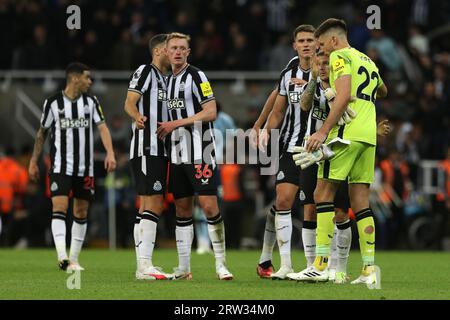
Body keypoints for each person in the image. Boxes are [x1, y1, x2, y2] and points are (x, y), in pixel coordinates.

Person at [293, 18, 387, 286]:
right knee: (360, 202)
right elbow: (383, 89)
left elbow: (343, 96)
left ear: (333, 40)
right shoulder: (367, 60)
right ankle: (369, 269)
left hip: (346, 134)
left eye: (321, 44)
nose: (321, 50)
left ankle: (320, 265)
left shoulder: (340, 57)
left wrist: (322, 131)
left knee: (322, 192)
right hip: (368, 136)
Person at [156, 32, 233, 280]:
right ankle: (183, 268)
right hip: (177, 155)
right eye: (174, 48)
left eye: (182, 48)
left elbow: (210, 112)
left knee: (209, 206)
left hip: (201, 151)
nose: (178, 52)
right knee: (182, 209)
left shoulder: (197, 76)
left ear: (188, 52)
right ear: (166, 52)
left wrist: (177, 123)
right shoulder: (166, 82)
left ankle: (221, 264)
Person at [28, 62, 117, 271]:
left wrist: (110, 153)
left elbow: (103, 128)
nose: (90, 81)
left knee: (81, 210)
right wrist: (33, 160)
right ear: (75, 78)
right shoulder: (52, 103)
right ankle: (62, 256)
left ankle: (74, 259)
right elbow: (42, 133)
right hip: (60, 166)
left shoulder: (92, 102)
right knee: (59, 207)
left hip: (85, 169)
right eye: (87, 77)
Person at [257, 25, 316, 279]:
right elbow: (279, 108)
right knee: (282, 201)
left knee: (312, 207)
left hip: (316, 149)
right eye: (301, 40)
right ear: (294, 45)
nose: (305, 45)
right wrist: (266, 129)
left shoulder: (327, 68)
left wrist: (312, 84)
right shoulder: (289, 69)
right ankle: (286, 265)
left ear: (318, 43)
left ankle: (314, 265)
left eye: (310, 40)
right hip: (291, 147)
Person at [124, 34, 174, 281]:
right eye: (170, 49)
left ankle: (142, 265)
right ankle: (145, 265)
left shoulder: (165, 80)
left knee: (146, 205)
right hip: (147, 147)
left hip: (158, 149)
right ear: (159, 51)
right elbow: (129, 102)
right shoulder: (145, 71)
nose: (174, 53)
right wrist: (137, 117)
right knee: (154, 203)